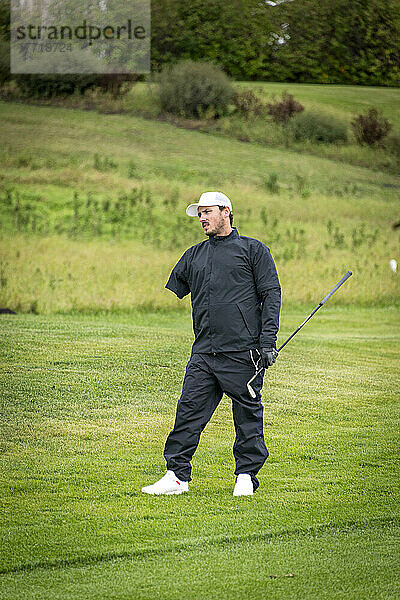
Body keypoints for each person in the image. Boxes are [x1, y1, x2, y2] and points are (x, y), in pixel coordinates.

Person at [142, 191, 281, 496]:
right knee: (188, 411)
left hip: (243, 352)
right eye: (199, 214)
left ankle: (246, 476)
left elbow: (271, 295)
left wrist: (267, 341)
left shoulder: (253, 251)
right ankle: (176, 476)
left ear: (226, 212)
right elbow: (178, 286)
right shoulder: (193, 255)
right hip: (204, 352)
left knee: (247, 414)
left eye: (207, 212)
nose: (202, 218)